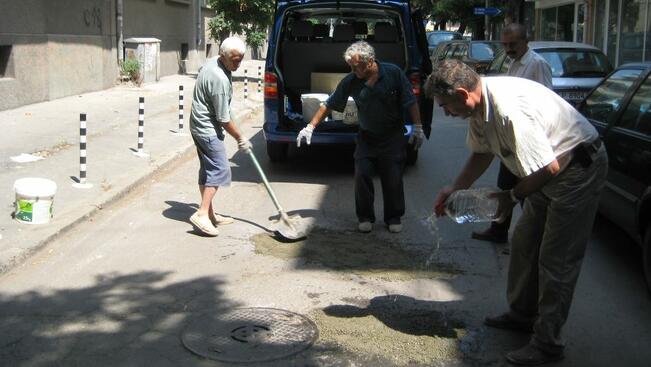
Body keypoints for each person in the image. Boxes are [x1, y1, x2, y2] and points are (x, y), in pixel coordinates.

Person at [426, 60, 607, 365]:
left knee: (556, 258)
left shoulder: (510, 110)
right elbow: (482, 152)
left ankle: (548, 342)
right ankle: (522, 315)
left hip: (575, 169)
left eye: (446, 106)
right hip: (543, 172)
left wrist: (510, 197)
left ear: (462, 93)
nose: (445, 113)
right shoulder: (478, 105)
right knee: (524, 243)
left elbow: (550, 167)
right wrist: (454, 188)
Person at [296, 41, 425, 233]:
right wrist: (310, 126)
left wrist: (417, 127)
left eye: (357, 66)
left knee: (393, 177)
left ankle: (393, 216)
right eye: (351, 66)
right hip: (367, 137)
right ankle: (365, 217)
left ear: (370, 61)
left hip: (392, 136)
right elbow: (329, 104)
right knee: (362, 173)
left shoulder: (393, 73)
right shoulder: (351, 80)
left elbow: (410, 100)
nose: (353, 69)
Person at [472, 23, 552, 245]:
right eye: (505, 44)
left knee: (530, 192)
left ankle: (536, 238)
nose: (508, 49)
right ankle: (498, 231)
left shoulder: (537, 64)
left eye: (512, 44)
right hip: (511, 139)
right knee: (504, 187)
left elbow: (544, 101)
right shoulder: (514, 63)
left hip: (528, 141)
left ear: (526, 41)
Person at [188, 37, 252, 236]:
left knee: (208, 170)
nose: (238, 64)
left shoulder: (215, 64)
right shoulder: (219, 79)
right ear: (223, 56)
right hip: (206, 129)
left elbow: (223, 107)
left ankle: (210, 214)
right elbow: (223, 118)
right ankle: (201, 214)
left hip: (197, 125)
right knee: (220, 169)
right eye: (234, 60)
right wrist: (240, 137)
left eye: (240, 59)